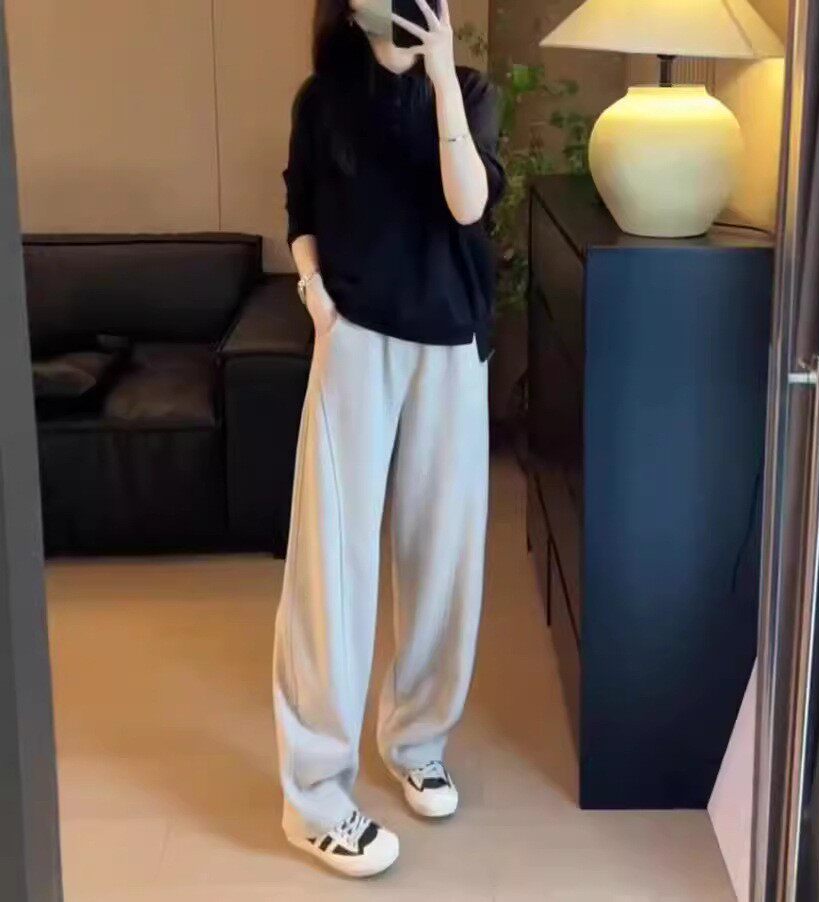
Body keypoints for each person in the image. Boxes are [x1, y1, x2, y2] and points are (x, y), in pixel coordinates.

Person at [272, 0, 504, 878]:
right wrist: (314, 293)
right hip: (355, 339)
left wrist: (441, 75)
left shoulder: (469, 91)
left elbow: (468, 202)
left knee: (442, 556)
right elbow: (299, 204)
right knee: (331, 566)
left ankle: (417, 742)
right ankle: (314, 797)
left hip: (449, 343)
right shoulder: (323, 98)